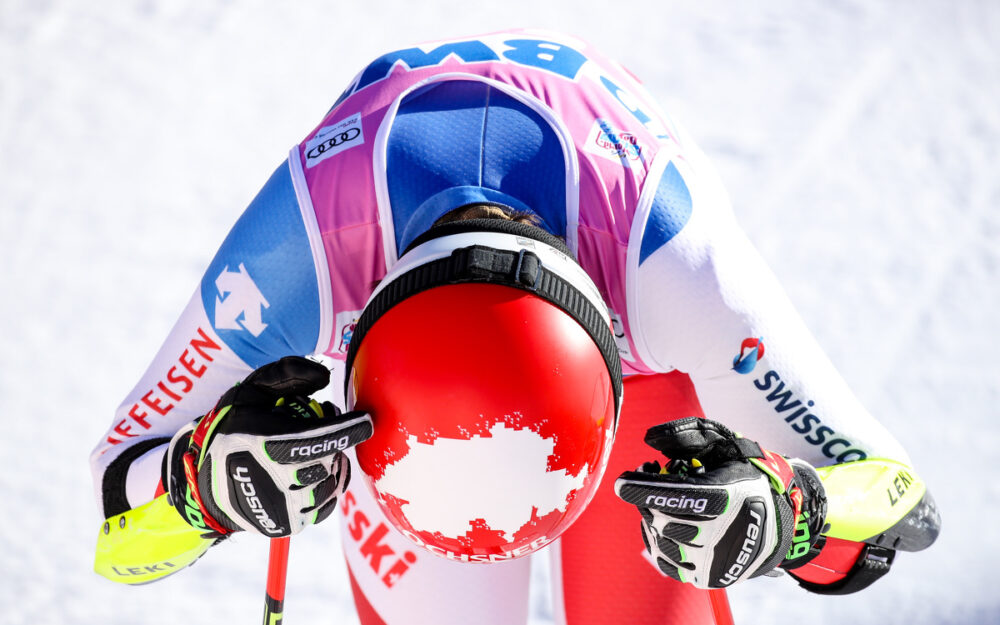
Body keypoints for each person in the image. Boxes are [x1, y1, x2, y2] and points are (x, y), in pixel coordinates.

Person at [90, 29, 940, 625]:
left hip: (598, 388)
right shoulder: (300, 252)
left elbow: (904, 505)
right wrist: (201, 482)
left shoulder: (677, 268)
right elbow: (112, 516)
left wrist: (798, 508)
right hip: (407, 425)